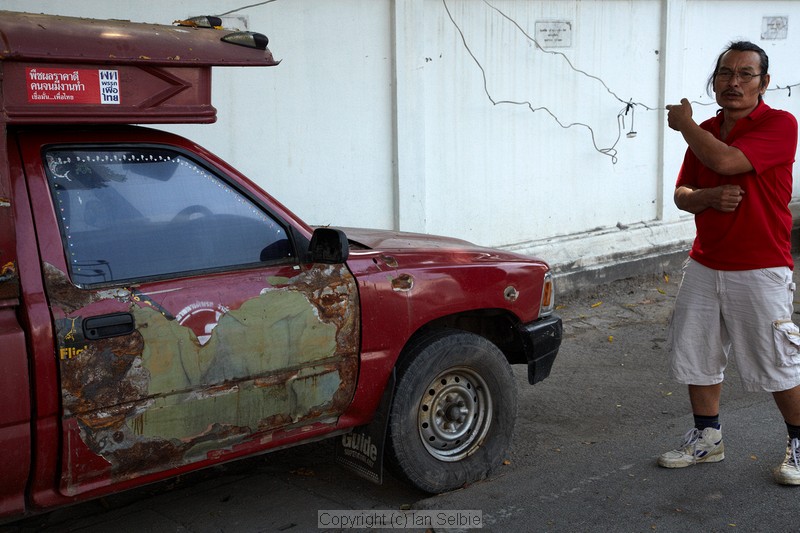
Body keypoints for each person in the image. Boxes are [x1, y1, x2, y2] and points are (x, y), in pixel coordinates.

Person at [659, 40, 800, 485]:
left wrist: (683, 126)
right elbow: (682, 194)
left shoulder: (780, 124)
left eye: (745, 74)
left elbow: (724, 160)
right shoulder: (705, 129)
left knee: (777, 360)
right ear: (715, 79)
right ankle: (707, 440)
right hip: (704, 263)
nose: (733, 82)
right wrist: (706, 197)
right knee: (697, 352)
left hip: (760, 266)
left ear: (764, 83)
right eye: (725, 73)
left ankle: (798, 443)